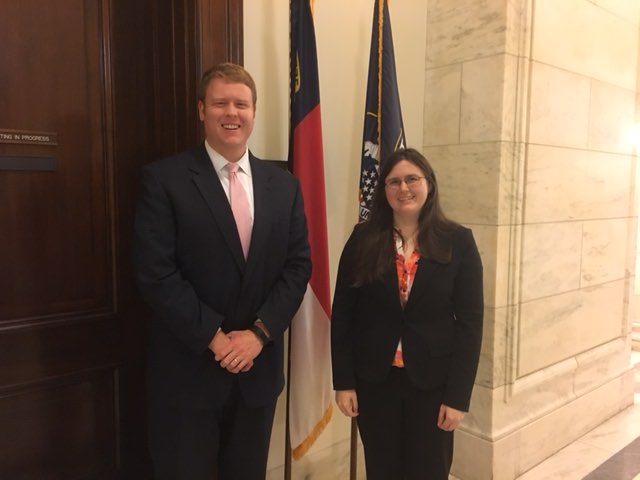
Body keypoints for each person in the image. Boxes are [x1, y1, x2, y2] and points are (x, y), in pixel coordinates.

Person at [133, 62, 311, 480]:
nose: (232, 112)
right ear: (201, 110)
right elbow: (156, 273)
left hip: (257, 373)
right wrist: (216, 340)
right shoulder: (164, 179)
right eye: (220, 103)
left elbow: (298, 266)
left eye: (241, 104)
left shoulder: (283, 184)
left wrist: (259, 334)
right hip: (187, 373)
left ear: (253, 112)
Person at [331, 148, 483, 479]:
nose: (404, 189)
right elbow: (343, 314)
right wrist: (343, 382)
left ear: (429, 184)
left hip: (433, 388)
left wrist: (458, 397)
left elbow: (470, 325)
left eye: (412, 179)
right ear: (383, 190)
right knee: (382, 471)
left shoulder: (458, 241)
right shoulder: (362, 240)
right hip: (375, 383)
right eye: (394, 181)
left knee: (429, 471)